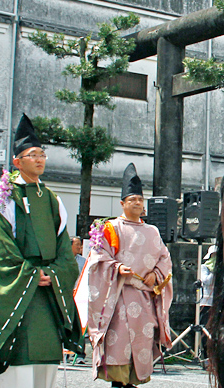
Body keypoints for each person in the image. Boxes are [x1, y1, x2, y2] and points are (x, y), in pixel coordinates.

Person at [0, 114, 83, 388]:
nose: (40, 160)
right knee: (17, 360)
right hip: (20, 286)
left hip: (46, 290)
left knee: (45, 360)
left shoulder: (52, 199)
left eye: (42, 154)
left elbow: (64, 249)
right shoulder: (7, 197)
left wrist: (53, 274)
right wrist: (32, 274)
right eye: (32, 155)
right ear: (17, 162)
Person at [85, 164, 173, 387]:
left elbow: (165, 258)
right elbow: (98, 258)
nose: (137, 203)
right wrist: (116, 268)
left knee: (139, 355)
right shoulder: (110, 228)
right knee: (118, 351)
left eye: (140, 200)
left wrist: (156, 274)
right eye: (132, 199)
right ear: (122, 203)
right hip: (118, 299)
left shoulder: (153, 231)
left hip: (144, 301)